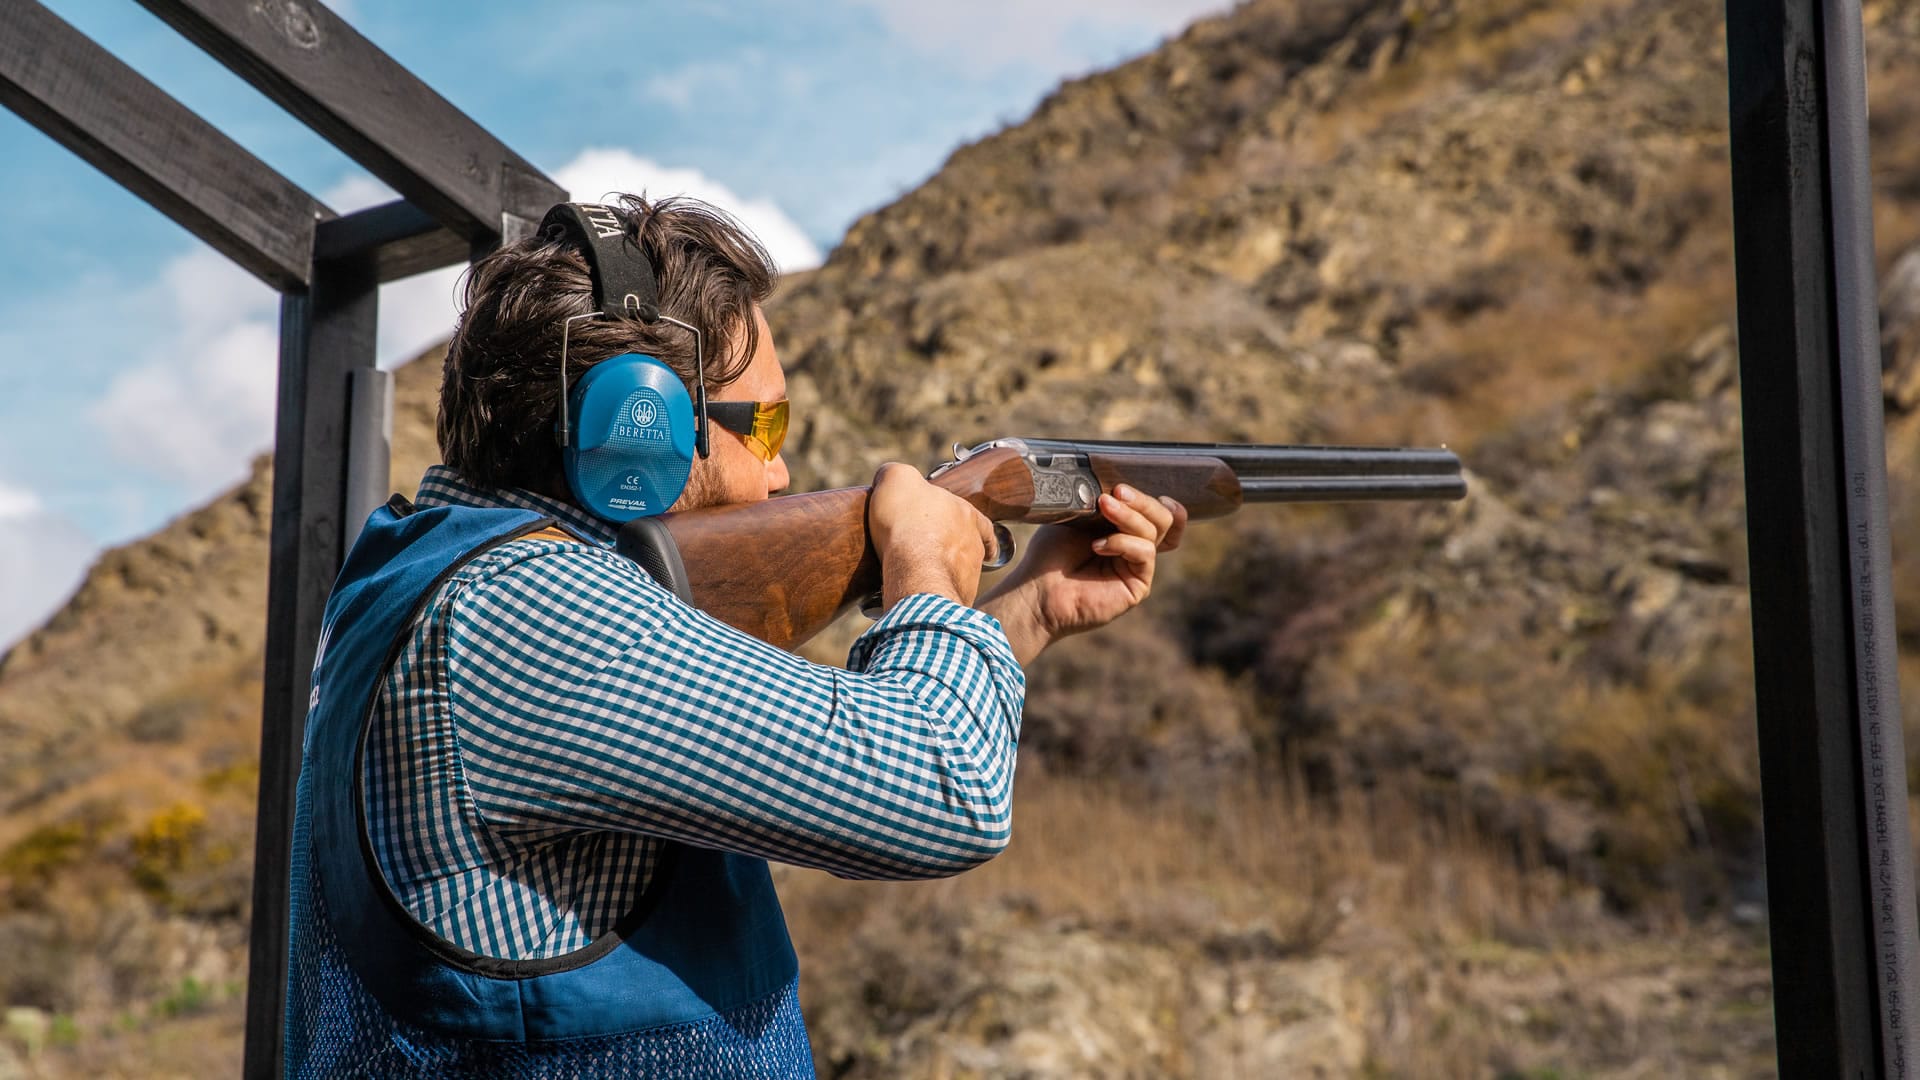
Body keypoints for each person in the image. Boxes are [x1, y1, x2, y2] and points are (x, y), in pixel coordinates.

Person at [283, 195, 1184, 1077]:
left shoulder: (442, 583)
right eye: (765, 424)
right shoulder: (525, 607)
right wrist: (924, 557)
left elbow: (863, 749)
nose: (782, 471)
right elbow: (945, 791)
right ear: (638, 429)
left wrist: (1029, 609)